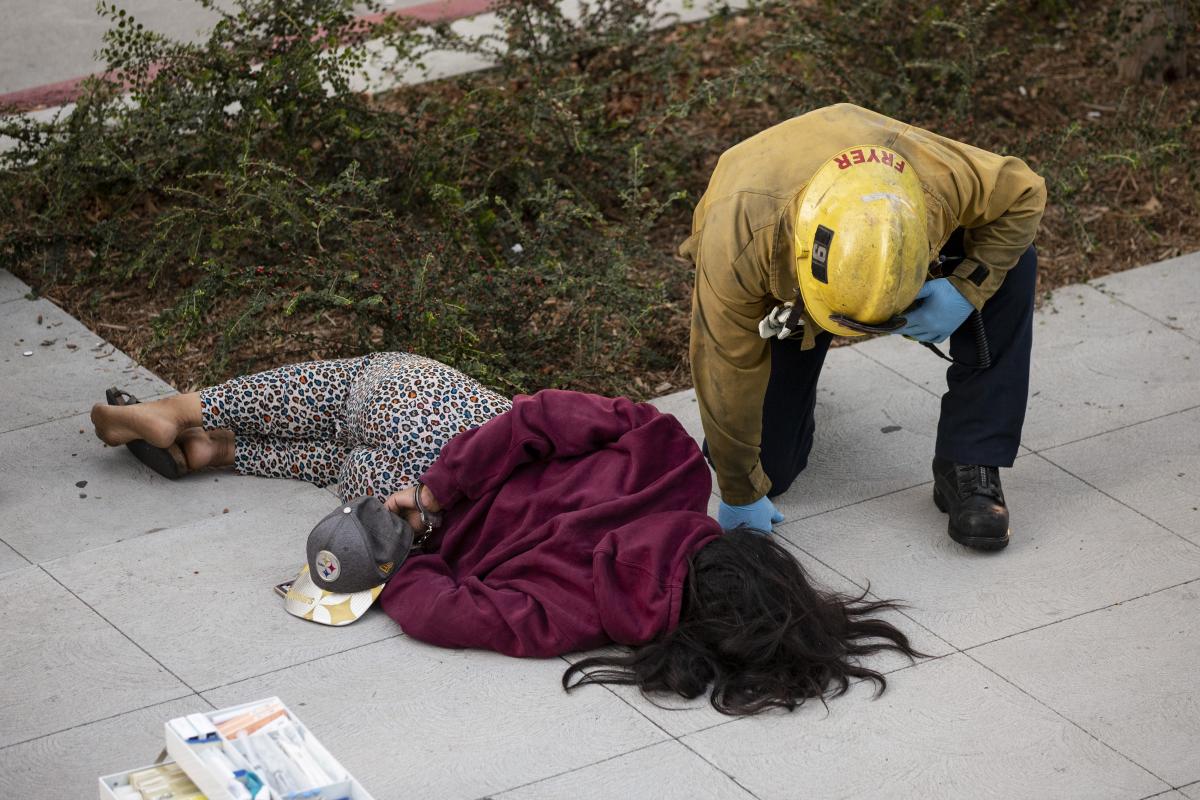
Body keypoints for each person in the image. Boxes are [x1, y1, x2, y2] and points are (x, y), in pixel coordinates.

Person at [93, 352, 922, 715]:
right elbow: (446, 613)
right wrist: (410, 551)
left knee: (364, 387)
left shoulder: (674, 465)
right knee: (348, 464)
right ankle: (215, 452)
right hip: (400, 518)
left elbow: (541, 416)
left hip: (448, 441)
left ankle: (186, 410)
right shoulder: (586, 618)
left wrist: (437, 487)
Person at [682, 103, 1047, 551]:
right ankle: (788, 375)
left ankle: (971, 459)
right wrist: (739, 490)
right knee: (769, 471)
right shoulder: (738, 239)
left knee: (1012, 263)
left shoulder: (936, 179)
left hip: (881, 196)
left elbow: (1025, 193)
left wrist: (965, 289)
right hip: (780, 264)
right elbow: (722, 364)